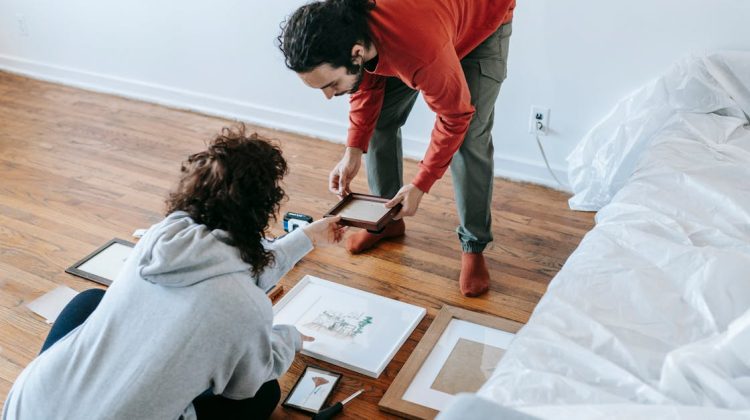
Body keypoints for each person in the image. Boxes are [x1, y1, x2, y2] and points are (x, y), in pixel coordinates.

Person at [2, 126, 346, 420]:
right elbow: (245, 385)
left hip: (29, 404)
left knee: (91, 300)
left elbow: (230, 265)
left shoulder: (162, 237)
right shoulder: (248, 307)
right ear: (263, 210)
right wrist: (290, 339)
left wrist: (307, 238)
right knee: (265, 393)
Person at [278, 0, 515, 297]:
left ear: (357, 53)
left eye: (331, 84)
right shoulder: (348, 23)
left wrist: (420, 185)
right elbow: (366, 84)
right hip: (427, 26)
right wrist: (353, 149)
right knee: (379, 121)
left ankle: (474, 245)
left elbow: (455, 117)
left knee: (469, 140)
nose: (328, 96)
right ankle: (386, 221)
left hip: (481, 19)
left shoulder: (419, 50)